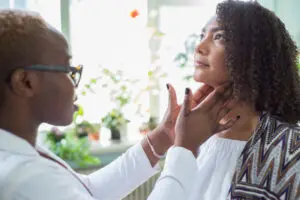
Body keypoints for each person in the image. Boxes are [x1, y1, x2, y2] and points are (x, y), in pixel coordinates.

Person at [0, 9, 234, 200]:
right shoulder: (23, 179)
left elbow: (89, 190)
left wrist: (162, 138)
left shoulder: (22, 155)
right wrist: (185, 148)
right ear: (26, 82)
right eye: (67, 69)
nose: (74, 82)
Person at [180, 0, 299, 199]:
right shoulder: (194, 138)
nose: (199, 46)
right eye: (202, 36)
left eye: (219, 37)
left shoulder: (292, 149)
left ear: (254, 53)